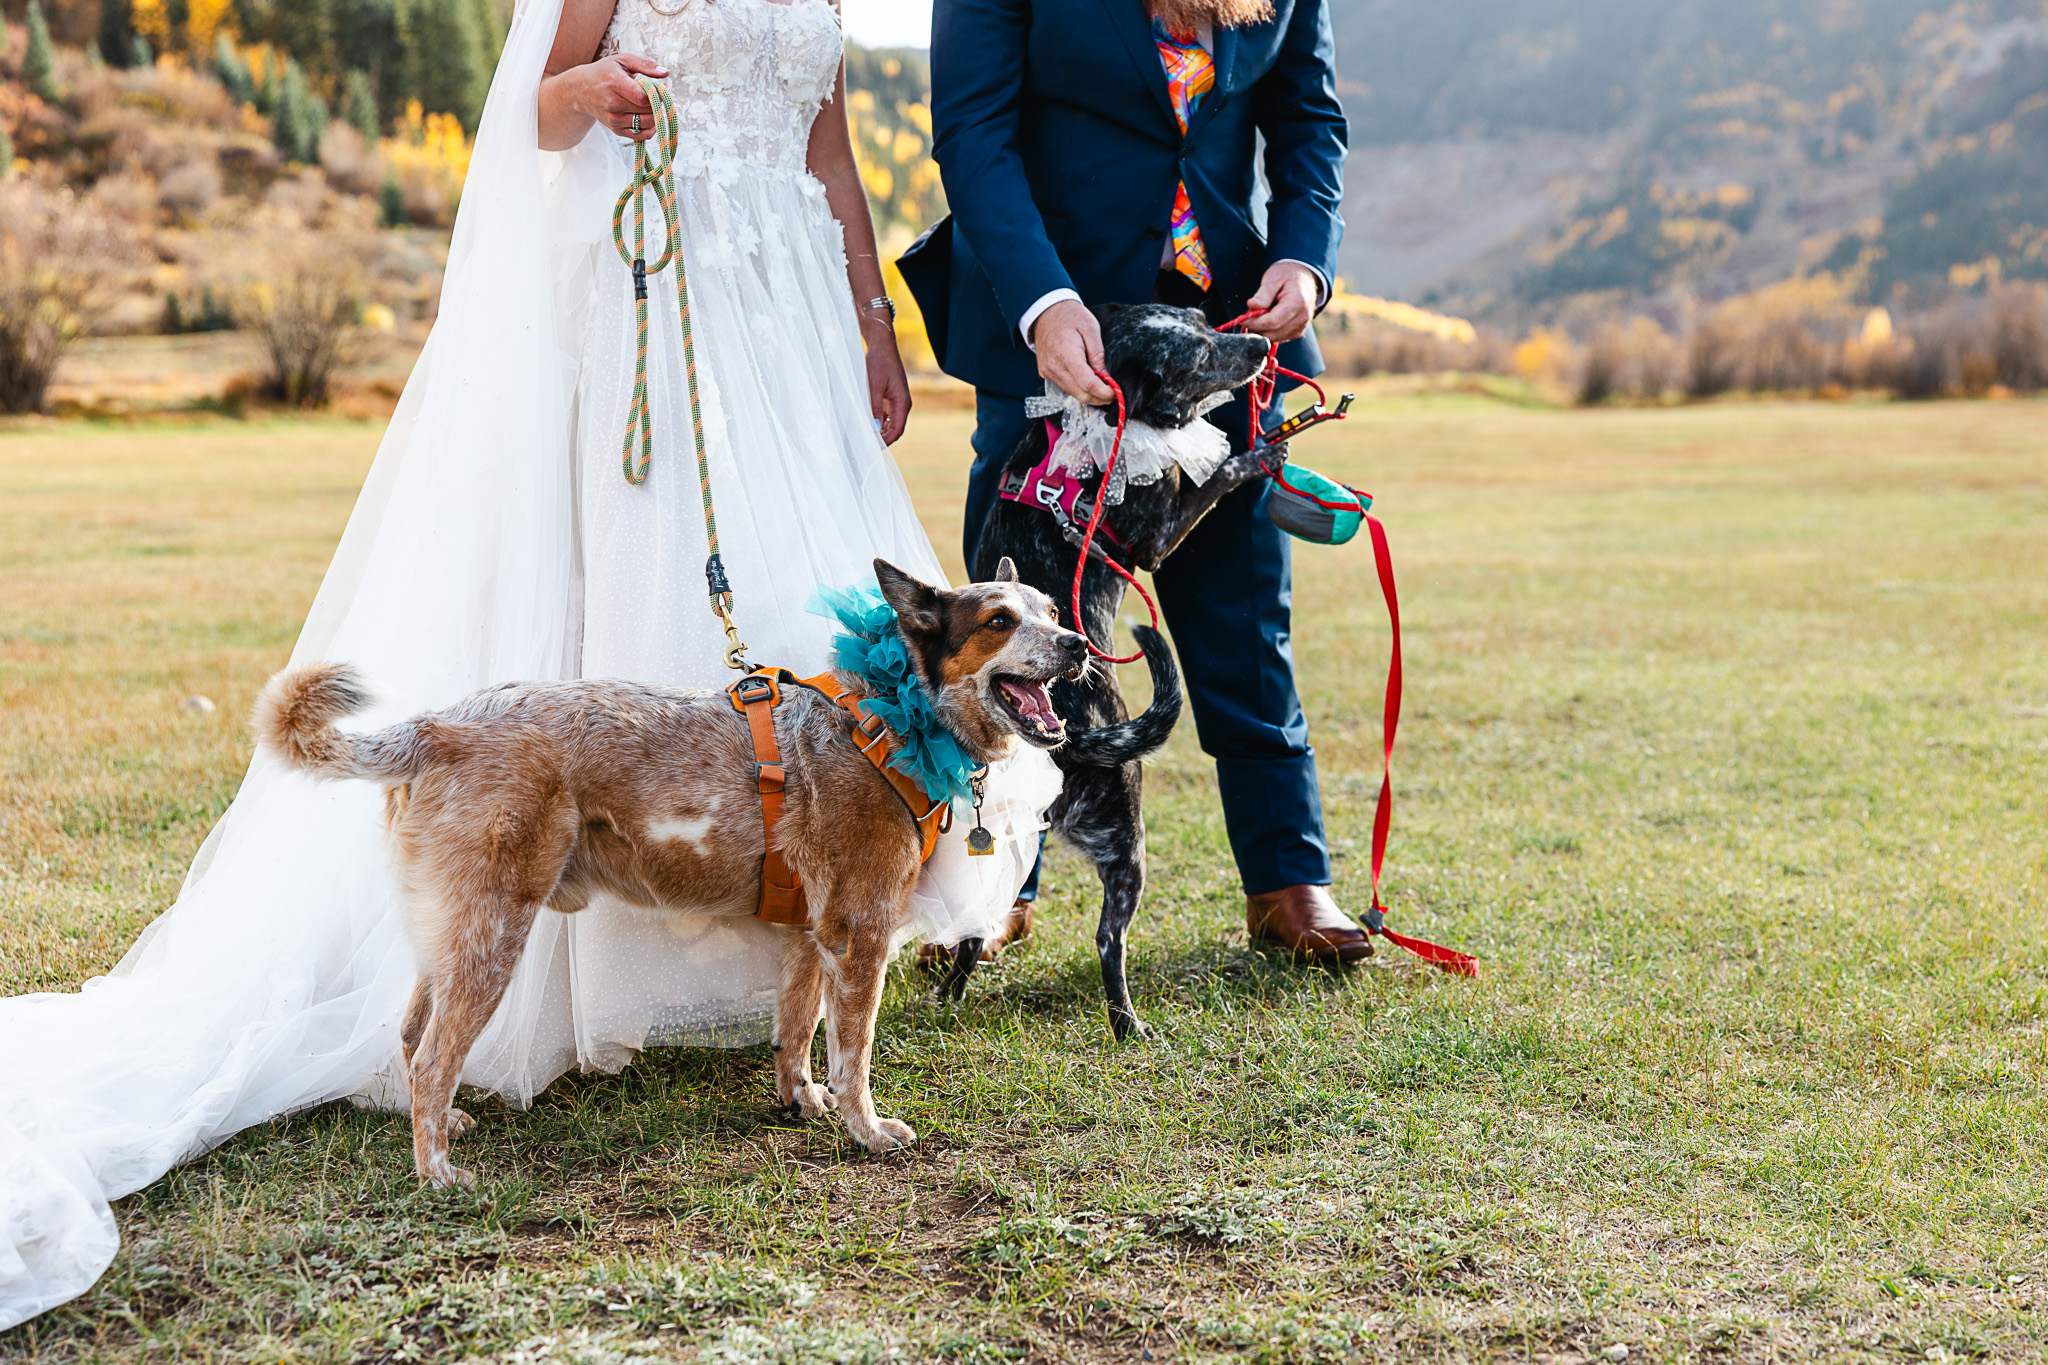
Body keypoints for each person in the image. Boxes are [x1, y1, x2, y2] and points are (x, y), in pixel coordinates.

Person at [0, 0, 1056, 1327]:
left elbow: (831, 157)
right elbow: (536, 106)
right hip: (656, 287)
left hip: (784, 311)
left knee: (818, 623)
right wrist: (597, 89)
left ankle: (792, 951)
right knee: (644, 607)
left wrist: (872, 323)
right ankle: (572, 981)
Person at [904, 0, 1362, 961]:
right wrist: (1043, 302)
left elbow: (1310, 120)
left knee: (1244, 611)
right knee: (1019, 628)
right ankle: (998, 888)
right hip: (1052, 332)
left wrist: (1305, 262)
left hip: (1226, 336)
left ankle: (1288, 879)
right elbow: (975, 135)